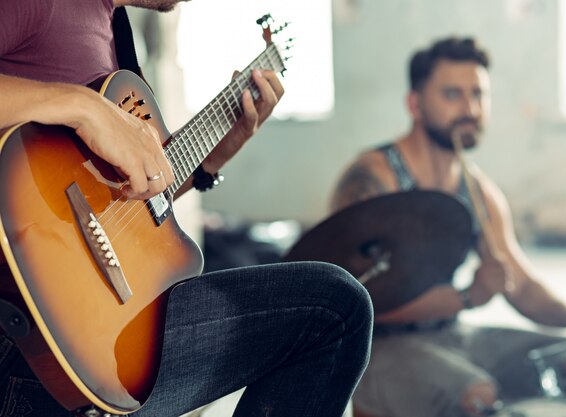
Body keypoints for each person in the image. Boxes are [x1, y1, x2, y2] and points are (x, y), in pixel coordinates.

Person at [0, 1, 373, 417]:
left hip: (100, 345)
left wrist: (210, 161)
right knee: (331, 311)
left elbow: (120, 208)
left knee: (336, 310)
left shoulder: (114, 29)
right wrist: (83, 106)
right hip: (23, 338)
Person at [330, 36, 566, 417]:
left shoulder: (478, 189)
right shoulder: (375, 178)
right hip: (378, 349)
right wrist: (467, 297)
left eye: (478, 95)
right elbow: (359, 300)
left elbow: (518, 280)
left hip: (452, 335)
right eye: (452, 94)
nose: (470, 108)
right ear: (414, 104)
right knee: (477, 394)